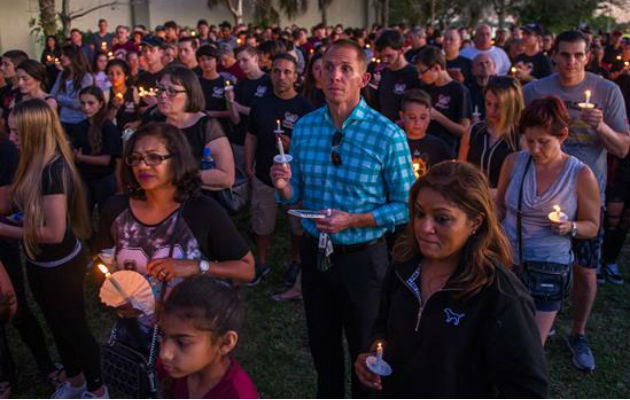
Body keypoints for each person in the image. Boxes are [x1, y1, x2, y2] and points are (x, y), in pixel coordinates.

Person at [270, 39, 414, 398]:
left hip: (363, 259)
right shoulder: (304, 128)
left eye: (346, 68)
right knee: (323, 346)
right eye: (329, 67)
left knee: (366, 352)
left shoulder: (387, 134)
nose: (335, 75)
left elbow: (407, 205)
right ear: (318, 74)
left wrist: (355, 220)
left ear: (363, 78)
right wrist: (284, 186)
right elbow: (294, 193)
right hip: (316, 255)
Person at [354, 160, 549, 397]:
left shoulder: (501, 294)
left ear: (475, 222)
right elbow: (383, 327)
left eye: (442, 218)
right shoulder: (403, 266)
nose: (425, 227)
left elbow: (528, 388)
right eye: (419, 213)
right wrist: (375, 355)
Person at [523, 30, 630, 371]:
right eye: (565, 54)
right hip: (543, 195)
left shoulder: (607, 91)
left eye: (578, 55)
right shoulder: (535, 91)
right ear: (553, 55)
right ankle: (537, 324)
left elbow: (623, 148)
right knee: (532, 264)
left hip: (587, 195)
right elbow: (520, 138)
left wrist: (600, 128)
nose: (571, 61)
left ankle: (579, 332)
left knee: (585, 272)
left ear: (588, 56)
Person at [94, 122, 254, 333]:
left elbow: (247, 269)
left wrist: (196, 266)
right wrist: (118, 296)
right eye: (135, 158)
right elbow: (105, 264)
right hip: (133, 335)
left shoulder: (202, 212)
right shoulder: (115, 209)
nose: (142, 165)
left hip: (188, 337)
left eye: (154, 157)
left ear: (177, 161)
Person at [0, 99, 106, 398]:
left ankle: (98, 389)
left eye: (17, 133)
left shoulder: (53, 170)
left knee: (74, 327)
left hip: (60, 265)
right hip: (38, 262)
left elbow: (53, 232)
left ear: (35, 132)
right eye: (10, 132)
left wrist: (4, 229)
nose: (11, 139)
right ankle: (74, 382)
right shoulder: (29, 161)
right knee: (54, 324)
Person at [496, 96, 600, 344]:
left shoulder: (580, 174)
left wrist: (570, 226)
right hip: (508, 261)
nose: (534, 149)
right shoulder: (513, 162)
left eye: (543, 142)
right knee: (501, 334)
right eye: (529, 141)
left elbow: (592, 227)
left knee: (530, 344)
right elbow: (499, 205)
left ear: (563, 135)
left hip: (547, 269)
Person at [0, 119, 64, 398]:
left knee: (15, 306)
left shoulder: (5, 149)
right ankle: (5, 375)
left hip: (4, 238)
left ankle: (46, 364)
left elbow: (5, 201)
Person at [244, 53, 313, 286]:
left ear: (296, 76)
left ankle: (296, 260)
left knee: (296, 225)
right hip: (264, 175)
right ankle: (261, 262)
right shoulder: (261, 105)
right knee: (262, 223)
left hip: (295, 179)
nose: (281, 76)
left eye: (286, 72)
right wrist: (247, 163)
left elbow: (312, 147)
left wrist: (291, 144)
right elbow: (251, 136)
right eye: (276, 71)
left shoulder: (305, 108)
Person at [157, 275, 259, 399]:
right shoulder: (169, 368)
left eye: (182, 342)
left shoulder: (237, 394)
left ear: (226, 343)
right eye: (162, 336)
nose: (164, 354)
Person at [155, 66, 234, 193]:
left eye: (172, 91)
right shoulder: (154, 121)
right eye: (160, 89)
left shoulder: (206, 126)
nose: (163, 95)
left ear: (190, 94)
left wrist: (178, 175)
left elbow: (226, 177)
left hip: (196, 199)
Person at [459, 76, 523, 191]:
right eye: (488, 104)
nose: (491, 111)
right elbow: (461, 170)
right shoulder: (475, 131)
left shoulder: (521, 138)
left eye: (498, 106)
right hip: (473, 199)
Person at [414, 45, 472, 156]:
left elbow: (464, 130)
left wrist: (438, 116)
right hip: (425, 149)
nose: (420, 77)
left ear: (437, 68)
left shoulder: (459, 91)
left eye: (422, 72)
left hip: (448, 150)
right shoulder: (426, 88)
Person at [75, 86, 123, 213]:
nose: (86, 108)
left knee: (105, 214)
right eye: (83, 103)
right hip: (85, 177)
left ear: (100, 104)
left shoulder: (108, 128)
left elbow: (107, 160)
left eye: (91, 103)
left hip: (104, 178)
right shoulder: (80, 126)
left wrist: (81, 157)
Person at [227, 46, 272, 165]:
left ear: (255, 59)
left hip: (262, 141)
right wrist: (230, 102)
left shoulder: (269, 81)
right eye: (239, 61)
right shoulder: (240, 84)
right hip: (240, 140)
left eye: (245, 60)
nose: (241, 64)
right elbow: (235, 120)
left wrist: (240, 107)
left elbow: (265, 113)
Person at [400, 89, 451, 176]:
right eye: (412, 117)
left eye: (423, 117)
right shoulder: (396, 144)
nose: (417, 122)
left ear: (430, 116)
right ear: (402, 116)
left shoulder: (439, 146)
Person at [374, 29, 420, 122]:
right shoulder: (385, 72)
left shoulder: (413, 75)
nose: (385, 60)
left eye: (389, 56)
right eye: (382, 57)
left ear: (401, 51)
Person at [50, 44, 94, 141]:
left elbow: (79, 103)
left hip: (80, 120)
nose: (61, 57)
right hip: (63, 120)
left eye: (65, 55)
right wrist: (60, 99)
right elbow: (52, 95)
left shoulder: (86, 77)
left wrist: (60, 98)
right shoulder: (62, 75)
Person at [195, 45, 239, 139]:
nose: (206, 62)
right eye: (202, 59)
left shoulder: (226, 83)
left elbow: (233, 113)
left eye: (209, 58)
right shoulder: (195, 82)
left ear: (216, 60)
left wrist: (210, 113)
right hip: (199, 129)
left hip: (222, 131)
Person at [105, 59, 140, 130]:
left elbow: (141, 114)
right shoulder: (106, 93)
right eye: (111, 74)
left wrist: (137, 123)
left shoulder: (133, 91)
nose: (114, 77)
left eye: (118, 73)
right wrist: (114, 107)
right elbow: (105, 121)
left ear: (125, 75)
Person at [467, 53, 497, 121]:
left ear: (494, 68)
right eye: (480, 64)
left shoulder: (502, 90)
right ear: (473, 71)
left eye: (487, 63)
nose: (484, 66)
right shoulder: (467, 91)